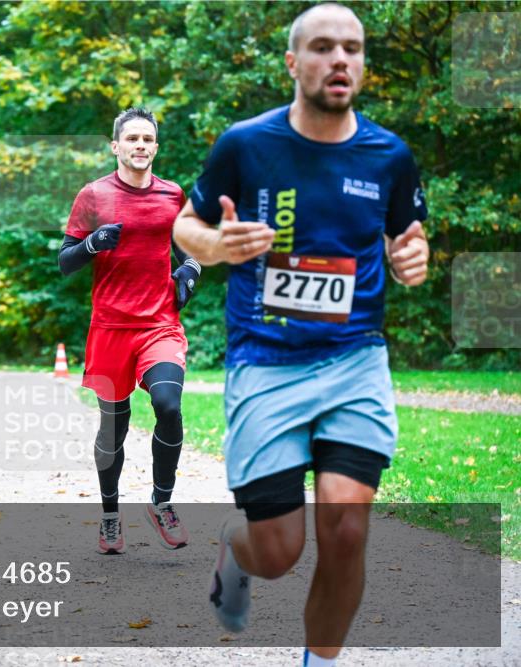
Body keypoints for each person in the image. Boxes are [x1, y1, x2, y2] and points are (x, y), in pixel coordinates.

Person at [172, 4, 430, 665]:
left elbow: (407, 236)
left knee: (346, 528)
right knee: (279, 551)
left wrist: (412, 257)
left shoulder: (389, 155)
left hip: (354, 359)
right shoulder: (245, 145)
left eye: (352, 48)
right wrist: (218, 245)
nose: (339, 58)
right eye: (322, 47)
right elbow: (185, 225)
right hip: (265, 361)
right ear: (293, 62)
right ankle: (237, 550)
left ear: (363, 63)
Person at [59, 107, 202, 555]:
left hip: (159, 324)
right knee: (113, 430)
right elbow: (65, 261)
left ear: (155, 147)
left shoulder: (172, 194)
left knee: (168, 405)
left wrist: (190, 272)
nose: (140, 145)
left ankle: (161, 502)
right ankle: (109, 515)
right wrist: (92, 243)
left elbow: (187, 250)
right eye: (132, 138)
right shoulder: (93, 195)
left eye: (147, 139)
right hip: (110, 328)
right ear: (115, 146)